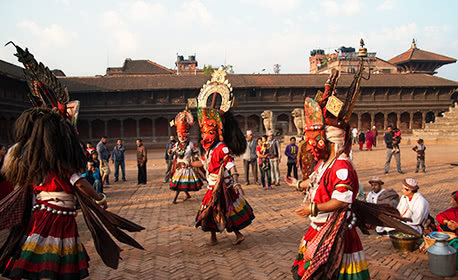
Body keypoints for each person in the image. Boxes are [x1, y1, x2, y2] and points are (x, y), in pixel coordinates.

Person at [195, 70, 255, 246]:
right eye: (204, 132)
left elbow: (230, 165)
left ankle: (237, 234)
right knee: (211, 209)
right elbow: (205, 164)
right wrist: (188, 164)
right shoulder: (208, 151)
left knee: (227, 209)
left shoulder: (222, 148)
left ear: (218, 132)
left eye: (210, 132)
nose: (206, 135)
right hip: (212, 184)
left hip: (224, 185)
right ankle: (213, 236)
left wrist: (236, 181)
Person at [169, 110, 203, 204]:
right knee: (181, 183)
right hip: (179, 166)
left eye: (183, 135)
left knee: (180, 183)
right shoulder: (177, 144)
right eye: (180, 135)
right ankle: (187, 195)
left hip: (187, 166)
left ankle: (175, 199)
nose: (182, 137)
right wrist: (170, 152)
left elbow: (196, 154)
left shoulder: (190, 145)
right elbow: (172, 152)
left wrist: (195, 160)